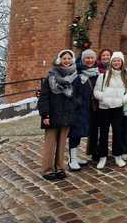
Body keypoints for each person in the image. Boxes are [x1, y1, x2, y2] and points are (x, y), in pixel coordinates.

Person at [38, 49, 78, 180]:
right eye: (64, 58)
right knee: (50, 144)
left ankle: (60, 168)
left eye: (69, 58)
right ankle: (47, 169)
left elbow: (78, 96)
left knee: (61, 145)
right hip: (53, 114)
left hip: (67, 114)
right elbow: (44, 97)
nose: (66, 61)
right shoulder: (51, 76)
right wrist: (45, 115)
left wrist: (74, 106)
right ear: (59, 60)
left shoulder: (75, 76)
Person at [94, 51, 127, 169]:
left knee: (118, 132)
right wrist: (104, 98)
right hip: (104, 108)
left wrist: (122, 100)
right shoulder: (103, 76)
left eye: (119, 61)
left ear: (122, 62)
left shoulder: (126, 76)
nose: (116, 63)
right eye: (114, 60)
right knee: (104, 133)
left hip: (117, 108)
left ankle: (118, 155)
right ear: (111, 62)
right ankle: (103, 157)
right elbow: (96, 91)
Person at [68, 48, 99, 171]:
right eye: (87, 58)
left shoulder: (96, 73)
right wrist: (78, 103)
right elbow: (71, 92)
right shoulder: (77, 74)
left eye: (92, 58)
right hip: (79, 109)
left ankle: (77, 157)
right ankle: (72, 159)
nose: (89, 60)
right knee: (75, 134)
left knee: (82, 133)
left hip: (92, 108)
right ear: (83, 59)